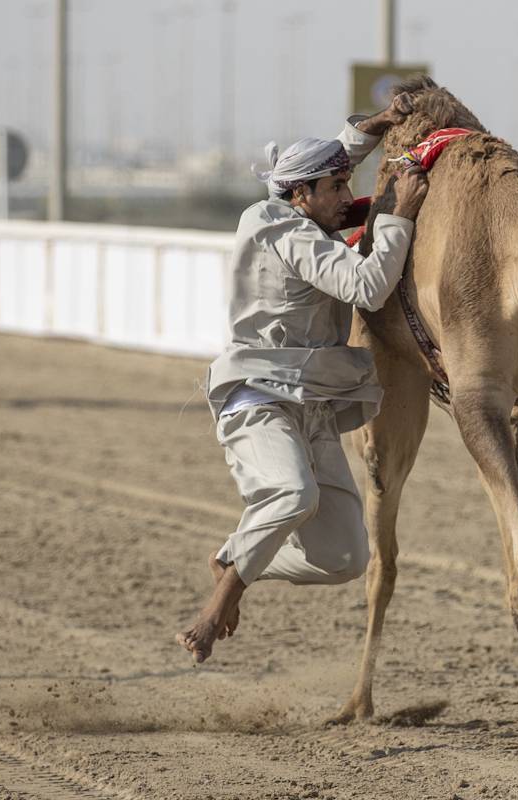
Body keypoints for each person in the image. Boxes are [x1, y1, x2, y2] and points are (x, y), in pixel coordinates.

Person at [176, 94, 429, 663]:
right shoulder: (284, 233)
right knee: (293, 494)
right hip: (259, 397)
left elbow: (330, 158)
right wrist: (397, 218)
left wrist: (375, 127)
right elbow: (367, 287)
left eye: (347, 185)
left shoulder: (294, 208)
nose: (346, 197)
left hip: (311, 402)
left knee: (344, 557)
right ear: (301, 196)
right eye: (336, 189)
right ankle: (219, 603)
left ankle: (232, 559)